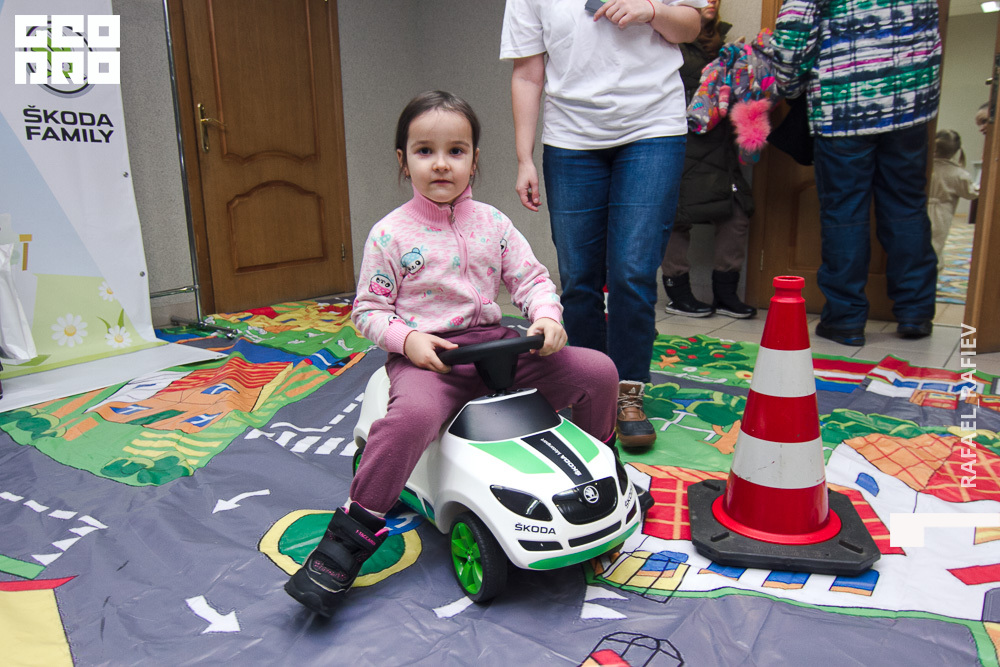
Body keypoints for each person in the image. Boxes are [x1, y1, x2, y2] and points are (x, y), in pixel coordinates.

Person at [284, 91, 625, 617]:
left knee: (599, 370)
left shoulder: (494, 223)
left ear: (474, 159)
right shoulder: (389, 234)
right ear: (403, 161)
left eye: (456, 151)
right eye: (425, 151)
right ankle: (348, 539)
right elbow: (369, 311)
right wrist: (408, 340)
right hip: (432, 360)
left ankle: (601, 475)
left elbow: (531, 280)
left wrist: (547, 317)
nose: (441, 163)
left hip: (501, 348)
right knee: (411, 418)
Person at [501, 0, 703, 449]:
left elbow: (690, 26)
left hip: (653, 128)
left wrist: (651, 9)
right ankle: (589, 388)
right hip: (570, 138)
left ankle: (628, 391)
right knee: (578, 277)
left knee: (632, 271)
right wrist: (523, 157)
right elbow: (528, 73)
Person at [770, 0, 941, 346]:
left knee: (844, 214)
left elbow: (794, 30)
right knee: (907, 206)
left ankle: (845, 320)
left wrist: (789, 88)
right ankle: (915, 312)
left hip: (845, 102)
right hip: (910, 100)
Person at [660, 0, 756, 320]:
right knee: (676, 217)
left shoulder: (723, 44)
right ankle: (678, 292)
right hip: (681, 139)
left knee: (737, 214)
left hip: (720, 146)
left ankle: (726, 293)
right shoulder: (669, 38)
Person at [929, 130, 978, 271]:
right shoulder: (959, 174)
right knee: (936, 244)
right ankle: (932, 272)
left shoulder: (924, 167)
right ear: (957, 151)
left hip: (919, 208)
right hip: (942, 213)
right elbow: (971, 194)